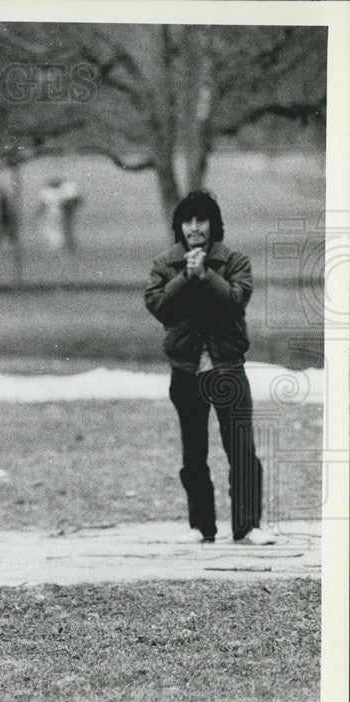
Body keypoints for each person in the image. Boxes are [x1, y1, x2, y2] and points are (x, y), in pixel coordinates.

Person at [144, 190, 276, 546]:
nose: (195, 228)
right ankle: (201, 527)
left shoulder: (235, 261)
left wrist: (205, 275)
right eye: (188, 221)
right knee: (194, 453)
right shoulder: (164, 264)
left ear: (213, 224)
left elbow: (235, 301)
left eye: (202, 220)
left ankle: (248, 527)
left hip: (227, 369)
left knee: (242, 450)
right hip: (187, 370)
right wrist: (186, 277)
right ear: (179, 226)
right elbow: (160, 308)